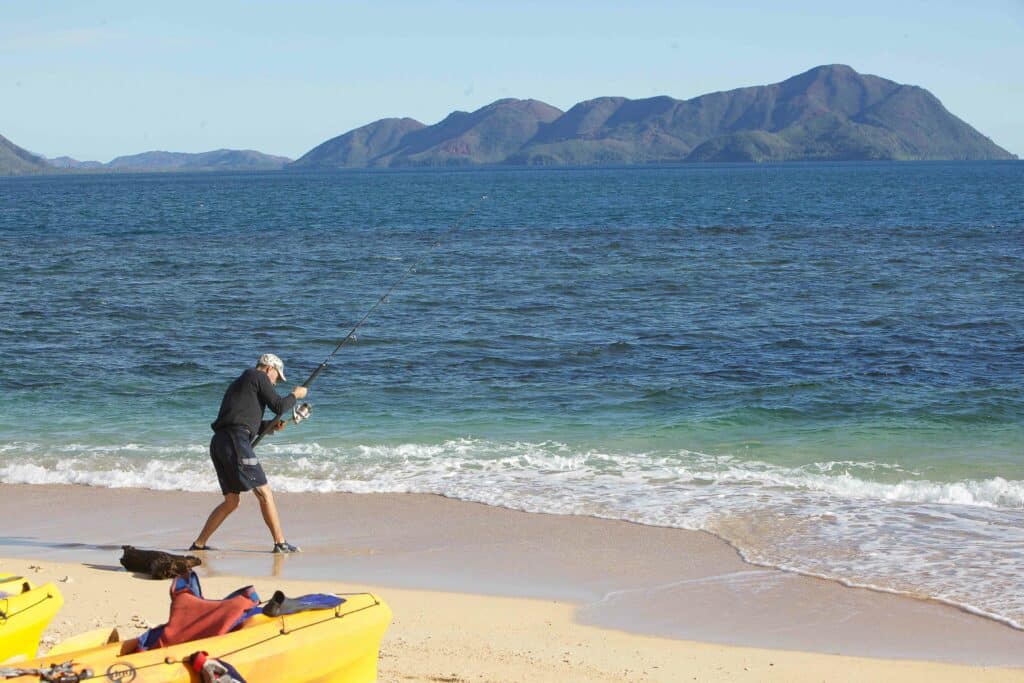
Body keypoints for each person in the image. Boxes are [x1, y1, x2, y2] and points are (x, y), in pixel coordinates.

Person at [191, 353, 308, 554]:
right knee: (264, 492)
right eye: (277, 378)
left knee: (232, 501)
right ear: (269, 368)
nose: (275, 382)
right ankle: (280, 543)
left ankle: (199, 543)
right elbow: (279, 405)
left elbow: (242, 419)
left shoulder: (240, 383)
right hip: (235, 440)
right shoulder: (257, 376)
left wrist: (268, 427)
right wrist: (295, 395)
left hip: (220, 442)